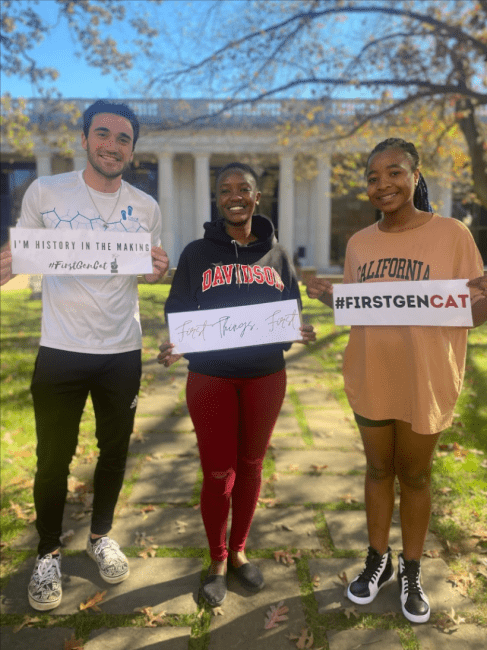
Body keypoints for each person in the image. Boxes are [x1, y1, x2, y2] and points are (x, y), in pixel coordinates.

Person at [307, 138, 486, 624]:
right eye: (372, 177)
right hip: (371, 374)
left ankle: (411, 568)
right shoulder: (360, 243)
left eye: (394, 173)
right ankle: (377, 559)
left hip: (425, 379)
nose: (382, 184)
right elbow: (361, 309)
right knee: (377, 470)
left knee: (417, 475)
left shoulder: (453, 235)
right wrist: (329, 298)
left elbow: (472, 316)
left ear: (415, 175)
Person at [0, 100, 169, 611]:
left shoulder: (146, 207)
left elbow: (145, 270)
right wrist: (9, 265)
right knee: (54, 455)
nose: (112, 145)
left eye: (123, 139)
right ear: (84, 139)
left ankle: (100, 536)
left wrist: (154, 269)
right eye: (103, 134)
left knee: (115, 449)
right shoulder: (45, 192)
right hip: (60, 348)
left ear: (132, 150)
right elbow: (27, 258)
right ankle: (48, 550)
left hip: (122, 349)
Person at [157, 162, 315, 607]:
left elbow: (291, 313)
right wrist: (174, 343)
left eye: (243, 188)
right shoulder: (195, 254)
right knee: (218, 472)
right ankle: (218, 558)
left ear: (256, 196)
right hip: (211, 379)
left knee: (251, 465)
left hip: (265, 377)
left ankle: (241, 549)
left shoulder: (279, 256)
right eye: (225, 189)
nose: (234, 195)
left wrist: (300, 330)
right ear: (218, 198)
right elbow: (178, 312)